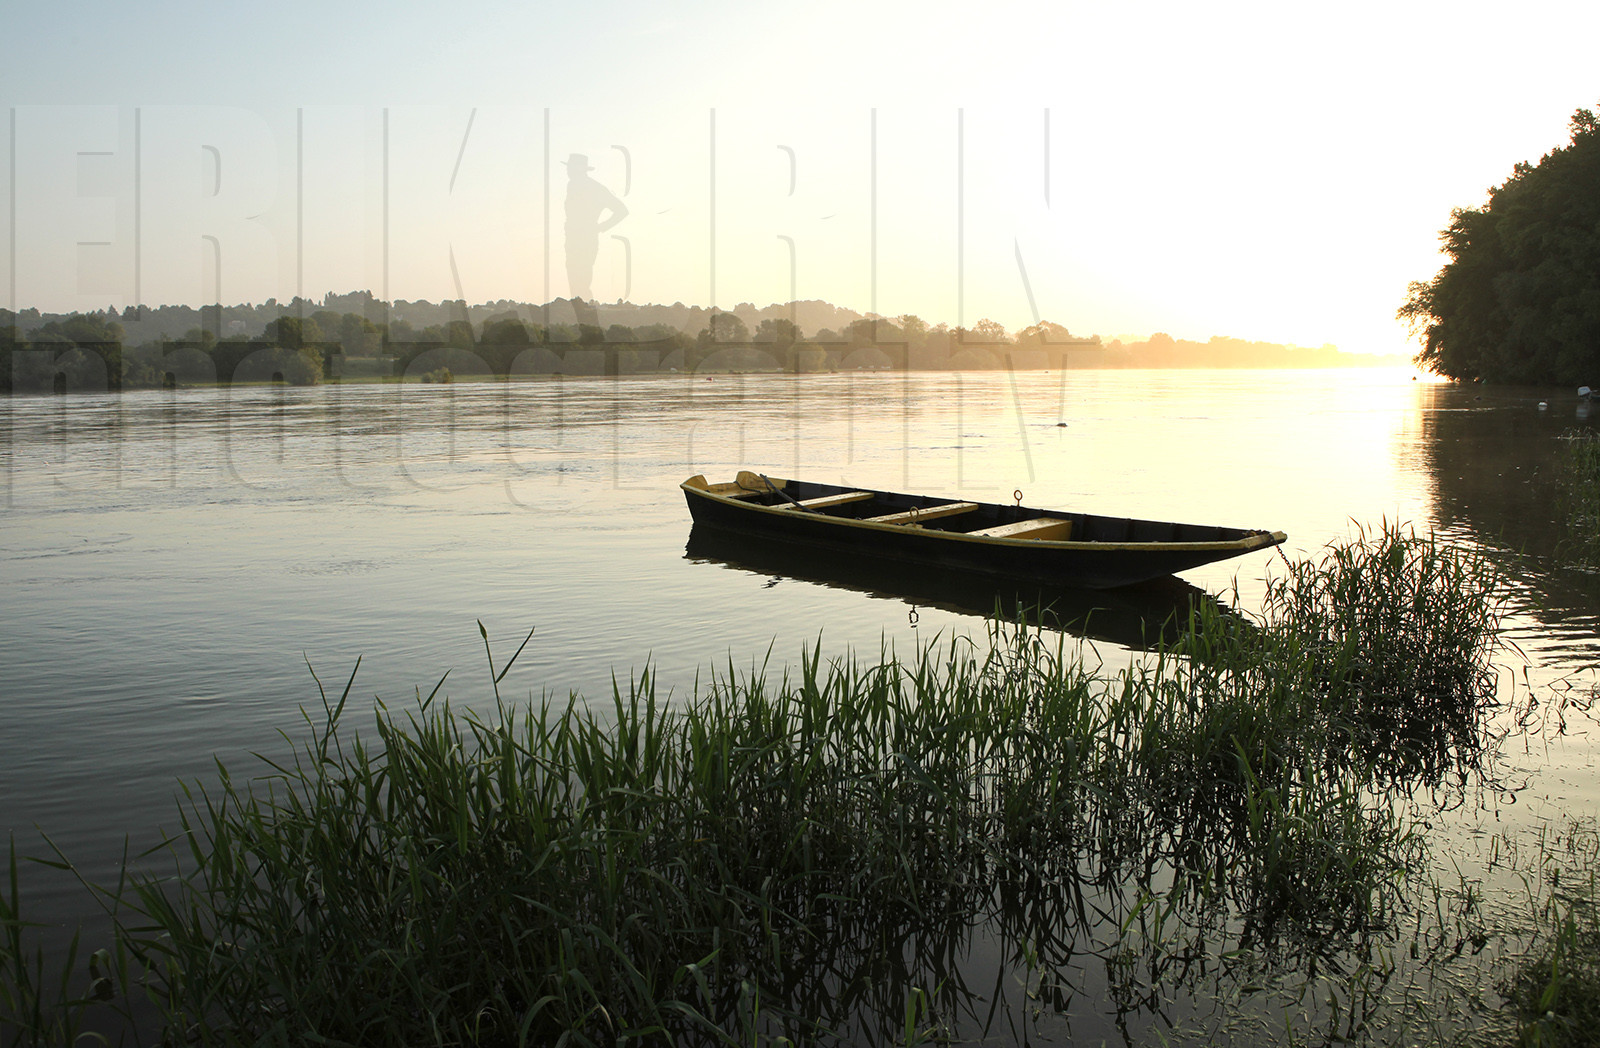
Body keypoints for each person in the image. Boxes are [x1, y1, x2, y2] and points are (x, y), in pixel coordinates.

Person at [563, 153, 628, 309]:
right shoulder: (572, 185)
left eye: (571, 168)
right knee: (574, 279)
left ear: (580, 169)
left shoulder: (595, 188)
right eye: (569, 168)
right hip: (572, 239)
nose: (568, 171)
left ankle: (585, 316)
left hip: (585, 240)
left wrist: (600, 227)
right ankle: (580, 313)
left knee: (581, 280)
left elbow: (621, 210)